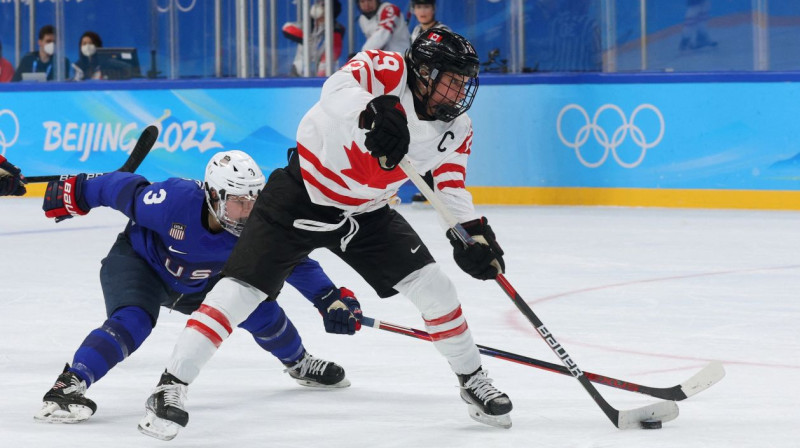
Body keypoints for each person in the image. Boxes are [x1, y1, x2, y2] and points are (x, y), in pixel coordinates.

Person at [138, 29, 512, 441]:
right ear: (424, 72)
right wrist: (375, 110)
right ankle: (170, 386)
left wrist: (471, 234)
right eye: (452, 79)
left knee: (436, 288)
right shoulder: (387, 70)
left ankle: (472, 379)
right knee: (240, 290)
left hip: (367, 212)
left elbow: (450, 185)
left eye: (464, 82)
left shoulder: (457, 127)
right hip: (302, 193)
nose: (459, 92)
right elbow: (336, 87)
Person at [35, 150, 358, 426]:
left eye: (252, 201)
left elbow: (295, 261)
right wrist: (75, 192)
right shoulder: (173, 200)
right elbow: (120, 188)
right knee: (133, 320)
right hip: (141, 265)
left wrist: (328, 297)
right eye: (237, 202)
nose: (247, 211)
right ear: (214, 194)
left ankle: (299, 363)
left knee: (261, 310)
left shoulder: (262, 222)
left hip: (202, 282)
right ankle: (69, 384)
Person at [282, 0, 345, 77]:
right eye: (317, 3)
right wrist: (306, 39)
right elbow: (287, 28)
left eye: (322, 5)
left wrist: (319, 76)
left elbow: (332, 54)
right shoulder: (307, 24)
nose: (316, 6)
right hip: (299, 69)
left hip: (324, 71)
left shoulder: (336, 29)